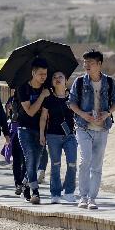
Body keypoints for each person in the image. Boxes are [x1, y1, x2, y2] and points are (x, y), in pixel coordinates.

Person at [68, 49, 115, 210]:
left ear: (99, 64)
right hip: (83, 127)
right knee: (85, 161)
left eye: (90, 63)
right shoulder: (79, 82)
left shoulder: (110, 82)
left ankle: (92, 198)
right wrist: (83, 114)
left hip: (102, 129)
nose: (86, 65)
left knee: (97, 166)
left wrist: (107, 113)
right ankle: (83, 197)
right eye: (85, 62)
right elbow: (71, 102)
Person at [40, 71, 77, 203]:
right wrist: (42, 134)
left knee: (72, 163)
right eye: (54, 77)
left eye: (60, 76)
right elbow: (43, 117)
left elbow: (79, 113)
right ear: (52, 82)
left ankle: (69, 192)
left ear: (66, 80)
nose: (57, 79)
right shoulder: (48, 98)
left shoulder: (73, 97)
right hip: (53, 136)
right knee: (55, 165)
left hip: (70, 135)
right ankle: (55, 194)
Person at [17, 58, 50, 204]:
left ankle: (24, 185)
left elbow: (45, 113)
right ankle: (35, 192)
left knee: (35, 163)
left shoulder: (47, 88)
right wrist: (42, 96)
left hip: (41, 130)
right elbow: (30, 111)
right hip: (25, 129)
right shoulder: (23, 88)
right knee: (30, 160)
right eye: (41, 74)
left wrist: (42, 133)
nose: (43, 77)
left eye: (45, 74)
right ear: (33, 73)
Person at [6, 90, 26, 195]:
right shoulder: (12, 99)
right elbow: (9, 116)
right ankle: (18, 183)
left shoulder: (29, 96)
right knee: (17, 159)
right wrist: (9, 108)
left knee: (25, 160)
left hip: (27, 130)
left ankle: (23, 182)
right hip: (15, 131)